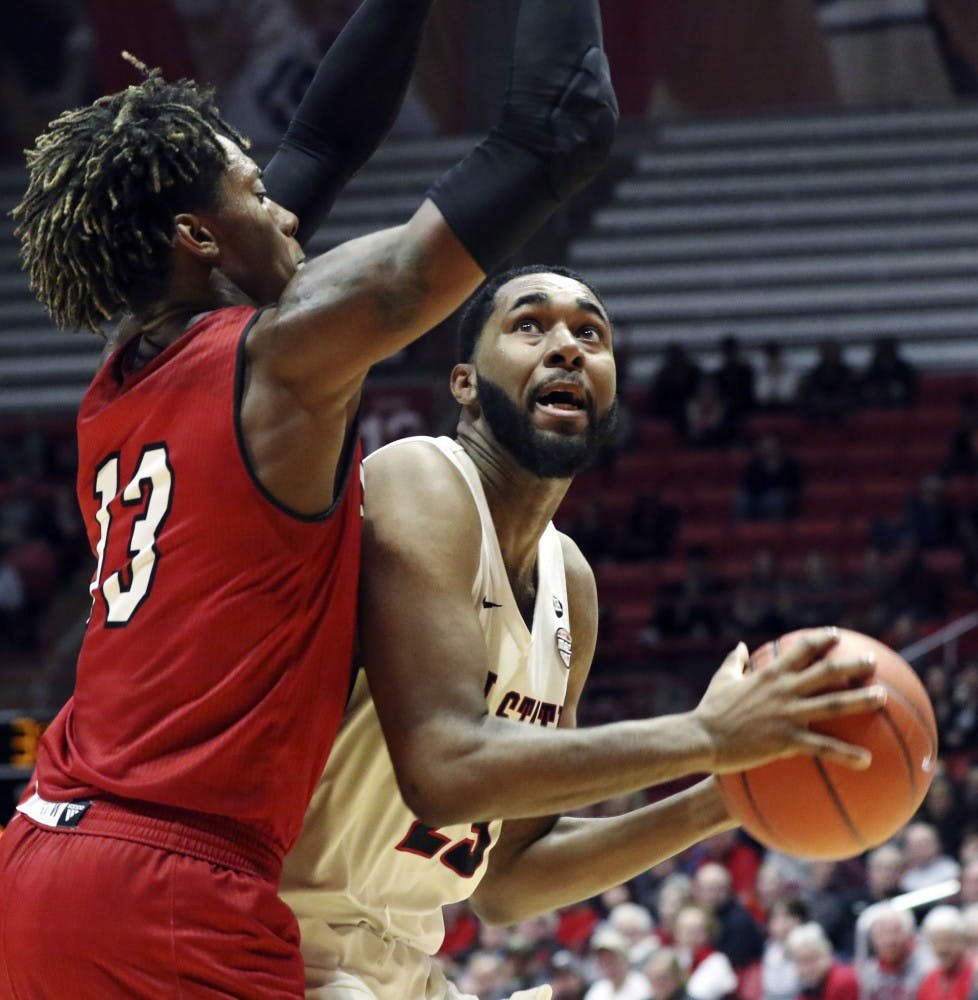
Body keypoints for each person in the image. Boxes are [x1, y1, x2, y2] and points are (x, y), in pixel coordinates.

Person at [0, 0, 621, 992]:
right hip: (177, 884)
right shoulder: (283, 358)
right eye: (255, 192)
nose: (284, 207)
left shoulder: (124, 368)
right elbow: (560, 126)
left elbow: (325, 140)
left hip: (43, 856)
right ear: (198, 234)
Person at [279, 265, 887, 999]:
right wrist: (706, 735)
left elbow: (508, 881)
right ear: (465, 384)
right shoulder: (420, 478)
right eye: (530, 325)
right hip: (289, 942)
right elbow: (443, 769)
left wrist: (726, 797)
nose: (567, 347)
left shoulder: (572, 581)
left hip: (403, 961)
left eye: (589, 332)